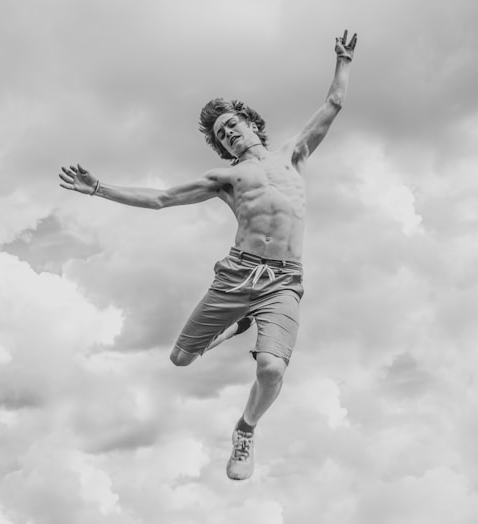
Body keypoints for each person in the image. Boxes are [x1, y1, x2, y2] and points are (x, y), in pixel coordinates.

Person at [59, 30, 356, 480]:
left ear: (252, 123)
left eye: (234, 124)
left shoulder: (293, 155)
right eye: (222, 135)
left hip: (284, 281)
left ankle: (245, 431)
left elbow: (333, 104)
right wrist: (99, 188)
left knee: (272, 369)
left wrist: (343, 62)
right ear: (222, 147)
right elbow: (161, 198)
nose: (231, 134)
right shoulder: (225, 178)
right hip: (237, 275)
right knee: (179, 359)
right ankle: (237, 322)